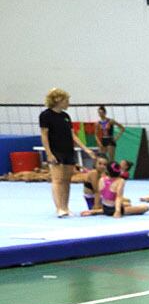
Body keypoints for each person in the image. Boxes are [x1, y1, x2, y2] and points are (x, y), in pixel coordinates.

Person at [39, 88, 96, 217]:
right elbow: (44, 135)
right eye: (67, 100)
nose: (68, 103)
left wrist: (85, 149)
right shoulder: (46, 115)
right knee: (57, 180)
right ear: (58, 100)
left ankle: (65, 206)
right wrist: (49, 153)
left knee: (66, 180)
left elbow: (72, 135)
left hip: (68, 150)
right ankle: (59, 208)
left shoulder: (65, 116)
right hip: (55, 150)